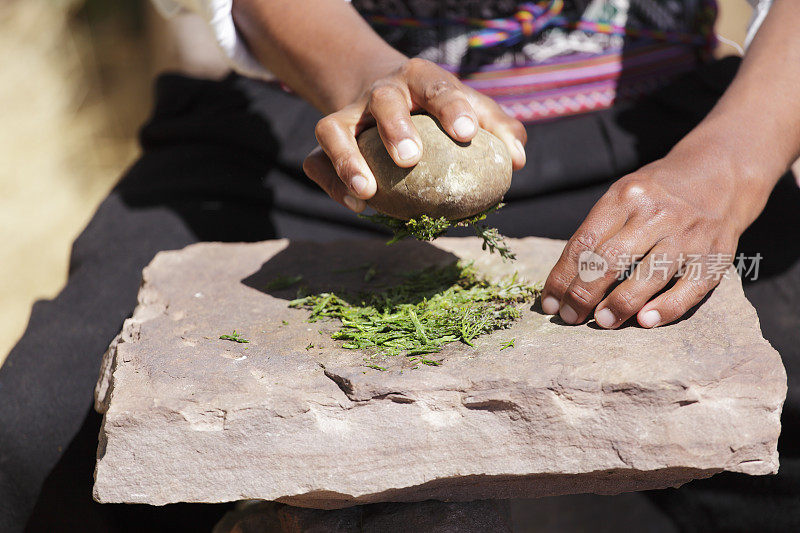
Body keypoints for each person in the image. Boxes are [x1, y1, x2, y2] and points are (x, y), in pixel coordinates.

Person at [2, 0, 798, 531]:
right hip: (326, 132)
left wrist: (731, 164)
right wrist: (361, 80)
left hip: (665, 149)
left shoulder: (707, 161)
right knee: (40, 431)